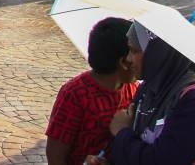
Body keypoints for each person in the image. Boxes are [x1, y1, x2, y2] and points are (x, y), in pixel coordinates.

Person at [106, 22, 195, 164]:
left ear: (156, 53)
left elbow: (161, 160)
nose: (128, 59)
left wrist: (122, 133)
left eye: (134, 51)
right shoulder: (147, 90)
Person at [45, 17, 138, 165]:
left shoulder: (134, 90)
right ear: (124, 62)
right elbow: (55, 156)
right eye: (135, 52)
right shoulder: (75, 95)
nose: (140, 60)